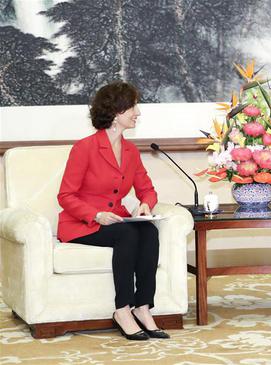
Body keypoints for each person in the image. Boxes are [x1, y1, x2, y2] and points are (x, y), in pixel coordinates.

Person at [57, 81, 169, 341]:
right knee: (127, 235)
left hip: (116, 220)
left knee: (149, 231)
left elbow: (147, 189)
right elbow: (65, 196)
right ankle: (122, 309)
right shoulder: (84, 148)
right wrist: (95, 215)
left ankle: (142, 307)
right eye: (132, 106)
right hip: (82, 224)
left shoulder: (130, 151)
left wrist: (145, 205)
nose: (137, 112)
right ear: (116, 111)